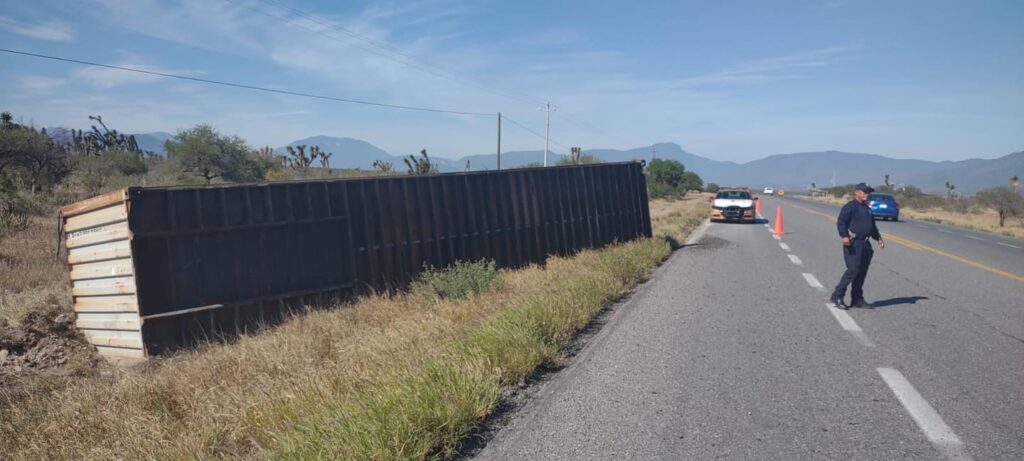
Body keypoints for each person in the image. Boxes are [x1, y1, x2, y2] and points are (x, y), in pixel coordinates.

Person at [830, 183, 885, 309]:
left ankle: (857, 299)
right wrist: (844, 236)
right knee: (853, 270)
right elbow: (841, 222)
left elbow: (872, 226)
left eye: (868, 192)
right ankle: (837, 295)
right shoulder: (850, 207)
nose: (867, 194)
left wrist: (878, 238)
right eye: (865, 191)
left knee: (861, 272)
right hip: (854, 243)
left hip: (866, 244)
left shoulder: (867, 208)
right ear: (857, 192)